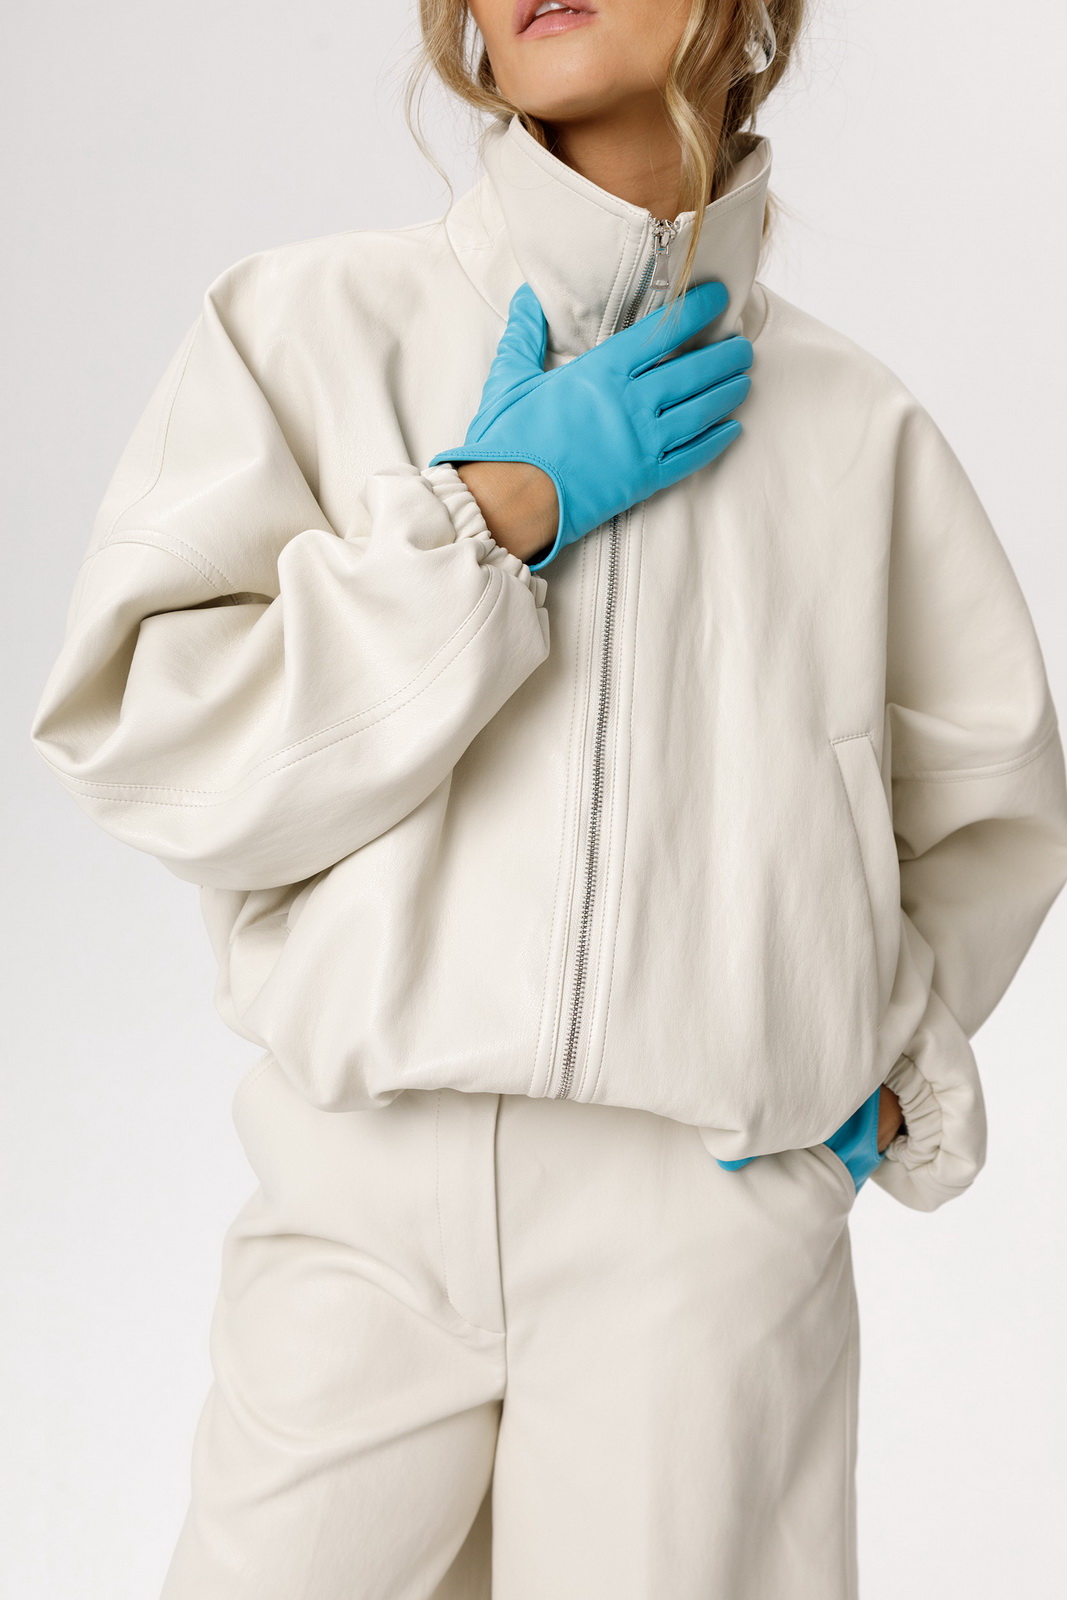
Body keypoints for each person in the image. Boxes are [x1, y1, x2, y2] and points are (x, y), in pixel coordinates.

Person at [29, 0, 1067, 1595]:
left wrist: (859, 1081)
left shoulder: (855, 432)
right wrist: (488, 517)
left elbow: (989, 810)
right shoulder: (307, 330)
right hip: (362, 1198)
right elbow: (152, 741)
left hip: (700, 1244)